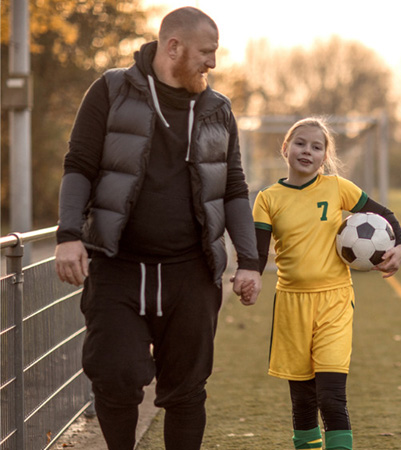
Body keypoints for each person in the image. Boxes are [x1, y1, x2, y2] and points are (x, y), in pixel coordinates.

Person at [54, 7, 261, 450]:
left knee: (187, 390)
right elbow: (79, 165)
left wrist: (250, 261)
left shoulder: (218, 109)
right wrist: (68, 234)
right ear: (173, 47)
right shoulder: (111, 90)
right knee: (115, 376)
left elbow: (235, 189)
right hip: (117, 268)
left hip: (190, 273)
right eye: (206, 52)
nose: (213, 63)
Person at [251, 118, 401, 450]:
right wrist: (249, 277)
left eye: (317, 147)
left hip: (334, 301)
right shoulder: (267, 199)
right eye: (300, 143)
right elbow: (257, 254)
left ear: (324, 157)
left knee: (331, 397)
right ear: (285, 148)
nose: (307, 151)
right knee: (303, 403)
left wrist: (400, 247)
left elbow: (387, 217)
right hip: (291, 305)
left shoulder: (337, 188)